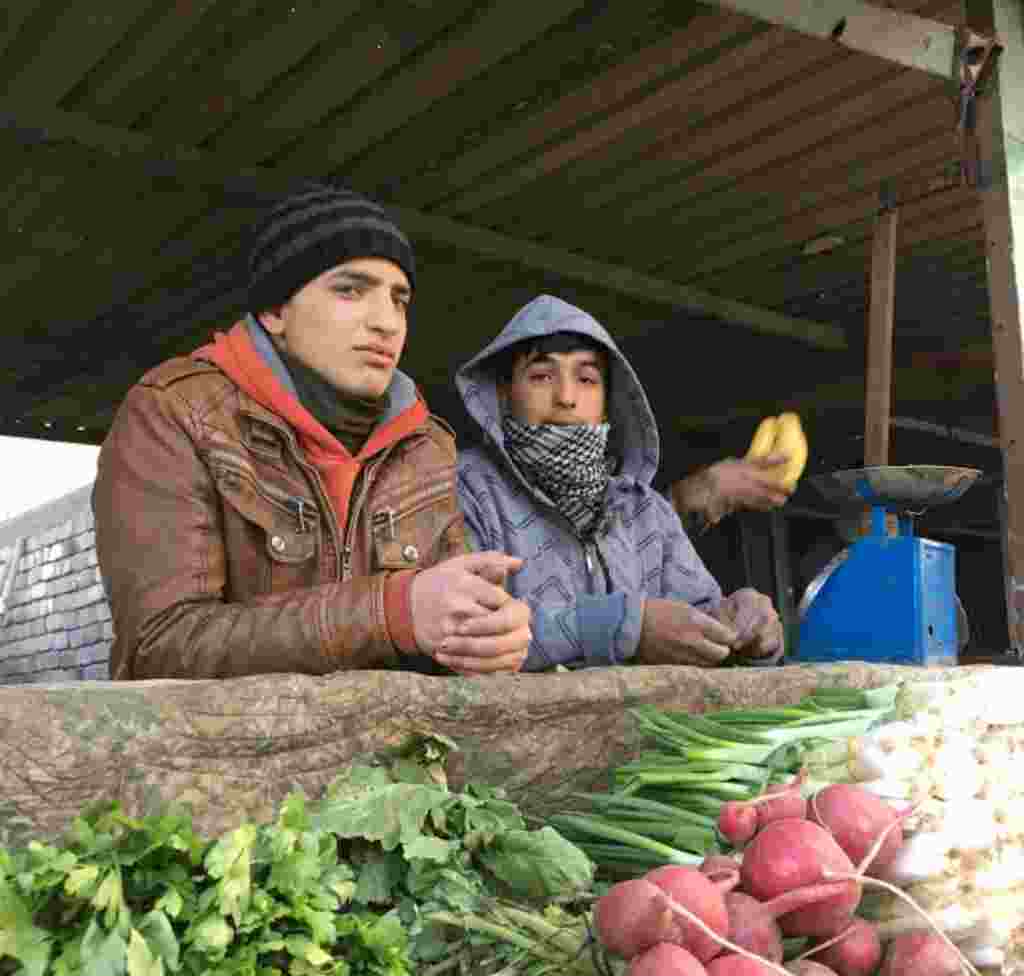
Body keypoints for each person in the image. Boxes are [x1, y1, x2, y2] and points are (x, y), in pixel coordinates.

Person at [93, 185, 531, 681]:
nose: (387, 322)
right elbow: (161, 645)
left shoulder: (428, 443)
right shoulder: (175, 412)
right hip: (227, 755)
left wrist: (484, 640)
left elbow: (441, 629)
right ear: (275, 311)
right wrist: (389, 611)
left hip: (392, 752)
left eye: (399, 299)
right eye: (350, 289)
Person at [455, 294, 783, 672]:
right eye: (542, 376)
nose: (566, 398)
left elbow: (703, 625)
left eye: (587, 379)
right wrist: (624, 628)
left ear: (608, 402)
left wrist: (747, 632)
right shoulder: (466, 491)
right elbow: (465, 635)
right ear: (503, 393)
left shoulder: (643, 509)